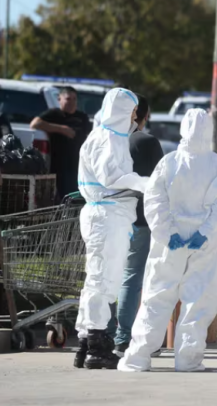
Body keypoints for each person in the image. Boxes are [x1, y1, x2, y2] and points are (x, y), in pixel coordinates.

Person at [118, 109, 217, 372]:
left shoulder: (169, 163)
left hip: (169, 245)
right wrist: (204, 232)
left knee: (157, 296)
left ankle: (137, 358)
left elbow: (154, 200)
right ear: (209, 131)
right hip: (204, 245)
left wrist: (167, 233)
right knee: (199, 299)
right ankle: (188, 359)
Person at [74, 88, 149, 370]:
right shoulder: (108, 139)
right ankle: (96, 344)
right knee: (104, 281)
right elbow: (111, 176)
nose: (134, 116)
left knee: (97, 279)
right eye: (131, 110)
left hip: (106, 214)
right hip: (108, 215)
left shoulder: (104, 135)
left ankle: (86, 342)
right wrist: (143, 183)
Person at [113, 95, 164, 356]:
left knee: (113, 276)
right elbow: (159, 183)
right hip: (140, 219)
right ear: (144, 115)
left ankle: (106, 332)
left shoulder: (110, 140)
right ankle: (123, 337)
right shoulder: (147, 142)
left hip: (110, 217)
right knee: (133, 278)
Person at [30, 86, 92, 199]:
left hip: (78, 163)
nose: (72, 102)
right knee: (61, 194)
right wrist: (61, 129)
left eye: (74, 99)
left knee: (76, 194)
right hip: (59, 163)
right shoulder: (54, 114)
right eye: (68, 99)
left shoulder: (82, 117)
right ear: (60, 99)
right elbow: (35, 124)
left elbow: (89, 135)